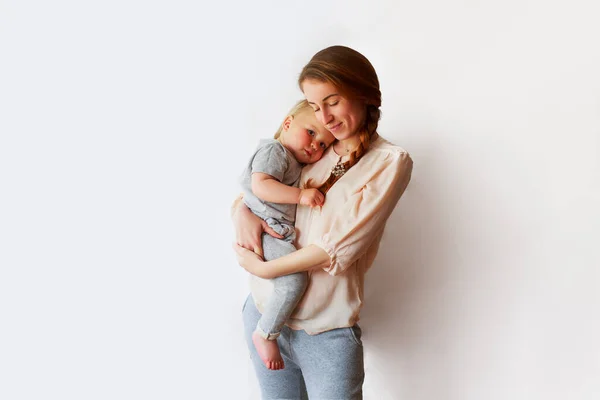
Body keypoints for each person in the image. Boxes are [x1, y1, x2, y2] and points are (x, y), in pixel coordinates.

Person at [232, 45, 413, 399]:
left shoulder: (389, 161)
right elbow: (258, 187)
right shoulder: (313, 148)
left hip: (325, 334)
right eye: (315, 106)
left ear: (364, 95)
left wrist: (267, 269)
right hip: (263, 313)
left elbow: (339, 247)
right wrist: (240, 211)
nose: (324, 118)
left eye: (332, 101)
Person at [239, 100, 335, 371]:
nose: (316, 146)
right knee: (294, 280)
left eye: (324, 145)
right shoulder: (274, 151)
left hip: (275, 229)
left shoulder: (293, 160)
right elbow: (261, 185)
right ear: (288, 123)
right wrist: (300, 196)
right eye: (312, 133)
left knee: (292, 279)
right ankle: (266, 333)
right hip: (269, 230)